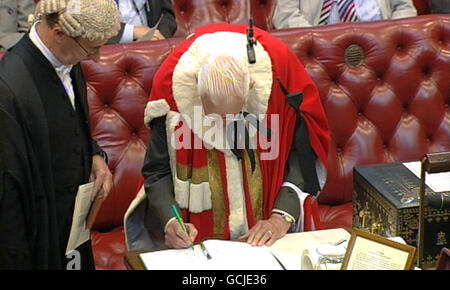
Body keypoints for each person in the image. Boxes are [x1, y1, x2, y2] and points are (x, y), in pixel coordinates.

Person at [124, 23, 331, 251]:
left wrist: (282, 216)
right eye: (215, 118)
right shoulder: (170, 92)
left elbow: (304, 155)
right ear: (196, 93)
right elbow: (156, 171)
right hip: (199, 247)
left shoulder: (281, 79)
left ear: (251, 88)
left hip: (267, 243)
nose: (224, 127)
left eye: (233, 116)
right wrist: (170, 223)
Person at [0, 0, 119, 269]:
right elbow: (9, 199)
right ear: (59, 33)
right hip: (38, 238)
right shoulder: (9, 90)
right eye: (92, 48)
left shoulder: (67, 56)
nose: (98, 58)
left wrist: (95, 156)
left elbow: (70, 125)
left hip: (72, 228)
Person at [273, 0, 417, 29]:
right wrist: (316, 42)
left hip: (381, 47)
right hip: (322, 55)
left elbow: (404, 8)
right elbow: (286, 16)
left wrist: (392, 36)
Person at [108, 0, 177, 44]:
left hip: (152, 47)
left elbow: (167, 14)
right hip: (112, 52)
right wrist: (132, 32)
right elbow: (98, 27)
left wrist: (160, 37)